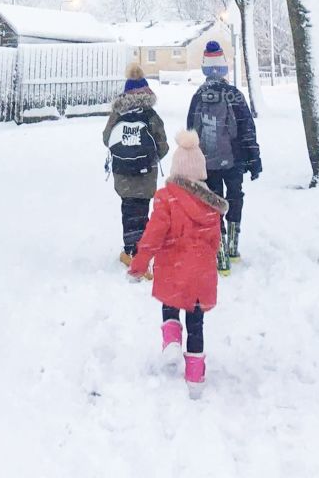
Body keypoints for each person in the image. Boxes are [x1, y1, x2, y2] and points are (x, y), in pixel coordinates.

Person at [127, 130, 228, 395]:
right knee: (196, 324)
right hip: (201, 275)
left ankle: (171, 342)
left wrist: (139, 265)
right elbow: (215, 243)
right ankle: (195, 379)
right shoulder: (212, 206)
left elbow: (153, 235)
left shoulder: (167, 197)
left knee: (170, 305)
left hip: (173, 269)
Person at [186, 40, 262, 271]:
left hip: (207, 161)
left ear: (205, 69)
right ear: (224, 67)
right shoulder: (235, 95)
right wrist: (253, 159)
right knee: (235, 196)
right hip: (235, 159)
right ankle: (233, 246)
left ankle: (219, 256)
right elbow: (247, 128)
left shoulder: (198, 96)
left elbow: (190, 131)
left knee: (212, 203)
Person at [102, 62, 169, 267]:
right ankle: (143, 249)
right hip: (145, 172)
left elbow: (107, 139)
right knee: (142, 210)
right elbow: (163, 145)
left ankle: (130, 248)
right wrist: (151, 156)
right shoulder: (150, 114)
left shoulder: (118, 114)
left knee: (127, 210)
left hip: (122, 173)